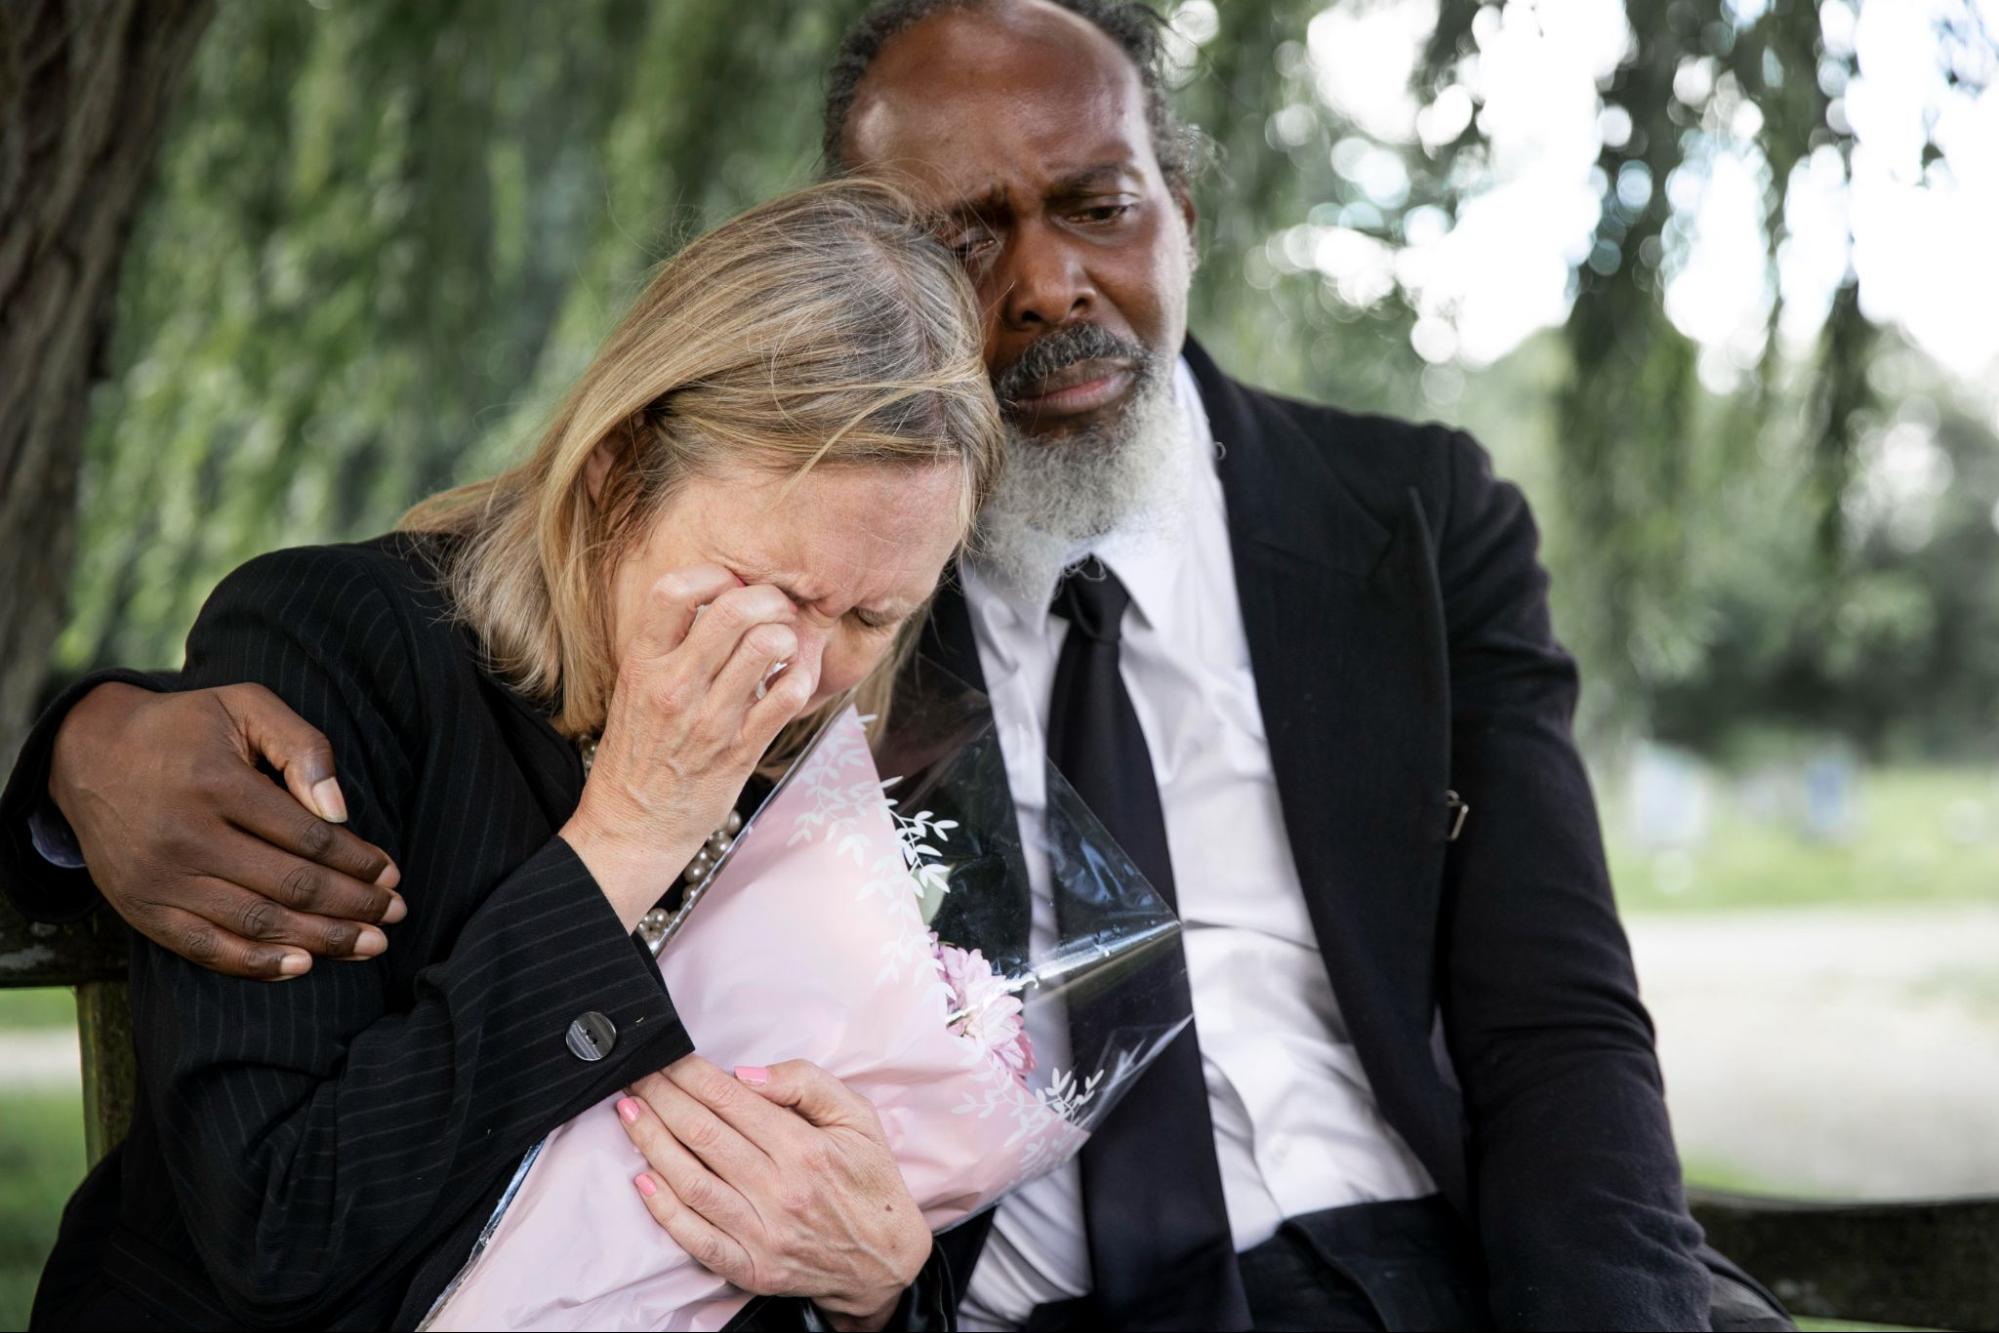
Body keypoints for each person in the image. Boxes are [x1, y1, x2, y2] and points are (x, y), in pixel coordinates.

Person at [0, 3, 1795, 1330]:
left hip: (1418, 1254)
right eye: (960, 235)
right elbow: (303, 1213)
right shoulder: (549, 626)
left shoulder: (1344, 537)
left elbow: (1556, 1015)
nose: (1044, 287)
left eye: (1093, 202)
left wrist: (870, 1283)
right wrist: (79, 744)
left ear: (1176, 199)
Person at [16, 177, 1004, 1332]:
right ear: (616, 476)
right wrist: (626, 839)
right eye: (767, 592)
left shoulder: (877, 778)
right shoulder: (341, 649)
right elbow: (276, 1226)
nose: (806, 669)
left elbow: (904, 1243)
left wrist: (875, 1288)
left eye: (874, 616)